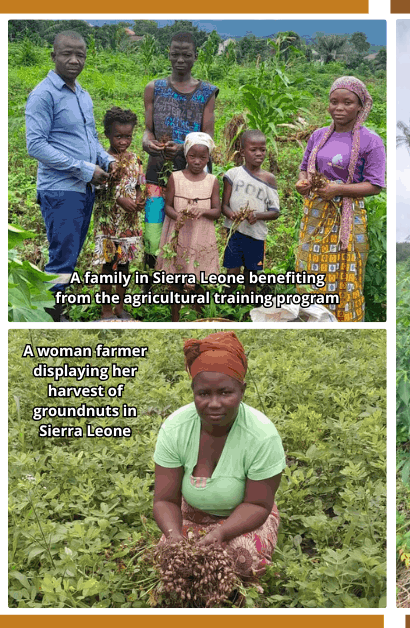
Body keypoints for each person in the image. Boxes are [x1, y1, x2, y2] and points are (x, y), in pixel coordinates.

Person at [153, 331, 285, 580]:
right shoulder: (175, 428)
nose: (214, 403)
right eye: (204, 394)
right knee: (170, 563)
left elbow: (258, 504)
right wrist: (174, 535)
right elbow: (165, 499)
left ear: (242, 390)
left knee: (240, 563)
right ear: (193, 392)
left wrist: (222, 533)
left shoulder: (262, 435)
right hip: (192, 511)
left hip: (245, 516)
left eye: (225, 393)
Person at [25, 30, 114, 321]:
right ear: (54, 56)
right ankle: (50, 315)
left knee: (70, 253)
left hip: (83, 190)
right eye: (67, 54)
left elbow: (90, 139)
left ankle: (56, 309)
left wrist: (108, 160)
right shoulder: (44, 94)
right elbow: (36, 145)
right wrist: (86, 170)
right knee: (62, 256)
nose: (74, 60)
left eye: (80, 54)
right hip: (61, 190)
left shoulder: (83, 95)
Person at [294, 76, 385, 322]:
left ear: (360, 106)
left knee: (344, 274)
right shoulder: (318, 135)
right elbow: (305, 167)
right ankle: (312, 319)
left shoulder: (371, 141)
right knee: (310, 268)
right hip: (314, 214)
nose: (339, 108)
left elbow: (375, 185)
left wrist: (337, 190)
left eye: (347, 103)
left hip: (346, 215)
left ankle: (342, 322)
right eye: (334, 102)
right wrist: (303, 182)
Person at [142, 31, 218, 276]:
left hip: (192, 175)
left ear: (196, 56)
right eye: (175, 54)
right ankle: (152, 280)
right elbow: (147, 130)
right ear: (169, 54)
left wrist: (181, 147)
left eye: (186, 55)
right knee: (153, 227)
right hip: (157, 172)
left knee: (187, 225)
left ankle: (185, 277)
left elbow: (207, 136)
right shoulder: (154, 88)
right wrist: (147, 144)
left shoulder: (206, 92)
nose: (180, 60)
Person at [158, 131, 220, 322]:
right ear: (185, 155)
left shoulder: (212, 181)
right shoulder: (175, 178)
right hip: (179, 235)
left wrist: (203, 211)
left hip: (201, 236)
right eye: (193, 156)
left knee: (199, 277)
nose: (197, 161)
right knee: (177, 276)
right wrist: (178, 217)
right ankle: (175, 318)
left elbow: (217, 211)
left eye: (203, 157)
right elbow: (167, 206)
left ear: (208, 158)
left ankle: (198, 317)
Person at [93, 107, 145, 321]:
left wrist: (140, 199)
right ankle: (106, 310)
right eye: (118, 136)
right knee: (108, 265)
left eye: (128, 136)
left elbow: (140, 183)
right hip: (108, 225)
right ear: (107, 134)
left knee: (124, 265)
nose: (124, 141)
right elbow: (98, 190)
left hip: (128, 225)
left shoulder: (135, 159)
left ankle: (119, 307)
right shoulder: (102, 159)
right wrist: (119, 199)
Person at [221, 129, 280, 294]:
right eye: (253, 150)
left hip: (256, 235)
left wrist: (257, 215)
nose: (259, 154)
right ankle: (228, 309)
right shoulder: (232, 175)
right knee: (231, 274)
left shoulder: (269, 179)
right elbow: (223, 206)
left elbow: (275, 212)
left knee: (251, 277)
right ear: (243, 152)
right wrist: (232, 215)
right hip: (235, 233)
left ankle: (248, 313)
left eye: (262, 150)